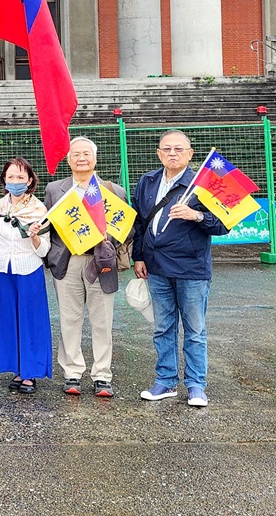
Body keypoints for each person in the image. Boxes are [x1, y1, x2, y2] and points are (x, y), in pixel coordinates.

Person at [132, 129, 228, 407]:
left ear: (190, 154)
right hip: (157, 267)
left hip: (192, 268)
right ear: (158, 153)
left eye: (178, 149)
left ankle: (196, 385)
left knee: (195, 329)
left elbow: (223, 224)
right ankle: (165, 381)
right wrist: (139, 256)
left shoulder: (204, 183)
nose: (172, 153)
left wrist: (196, 215)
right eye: (167, 149)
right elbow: (140, 223)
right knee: (163, 328)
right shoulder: (148, 182)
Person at [44, 137, 127, 399]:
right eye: (76, 154)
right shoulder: (55, 189)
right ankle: (72, 371)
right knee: (69, 318)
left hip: (100, 261)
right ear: (69, 160)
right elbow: (48, 226)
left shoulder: (114, 191)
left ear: (95, 158)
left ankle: (102, 374)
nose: (81, 158)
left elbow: (125, 229)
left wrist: (106, 241)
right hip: (68, 261)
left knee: (103, 320)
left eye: (86, 154)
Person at [0, 157, 52, 394]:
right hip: (3, 270)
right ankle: (16, 368)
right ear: (4, 179)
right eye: (11, 177)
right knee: (7, 320)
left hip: (29, 270)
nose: (15, 181)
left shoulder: (39, 209)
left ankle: (31, 372)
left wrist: (34, 236)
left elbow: (44, 249)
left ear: (30, 180)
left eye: (21, 177)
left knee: (31, 320)